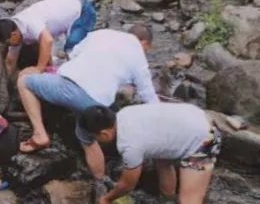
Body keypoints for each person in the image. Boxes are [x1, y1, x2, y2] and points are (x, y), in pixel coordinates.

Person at [78, 102, 221, 204]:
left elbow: (127, 185)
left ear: (105, 134)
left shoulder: (129, 145)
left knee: (190, 202)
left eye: (95, 137)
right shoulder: (125, 113)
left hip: (204, 139)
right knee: (162, 161)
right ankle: (168, 201)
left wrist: (107, 199)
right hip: (194, 117)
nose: (95, 141)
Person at [18, 26, 159, 162]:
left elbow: (73, 54)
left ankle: (40, 133)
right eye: (146, 49)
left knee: (24, 81)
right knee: (88, 141)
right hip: (96, 104)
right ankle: (100, 180)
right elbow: (148, 94)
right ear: (144, 42)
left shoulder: (101, 33)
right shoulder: (138, 55)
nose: (145, 52)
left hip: (69, 87)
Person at [0, 0, 96, 78]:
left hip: (82, 11)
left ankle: (85, 78)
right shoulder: (14, 29)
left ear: (14, 34)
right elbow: (11, 61)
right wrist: (6, 81)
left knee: (72, 49)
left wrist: (39, 69)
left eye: (8, 43)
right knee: (53, 58)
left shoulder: (30, 21)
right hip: (65, 14)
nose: (10, 46)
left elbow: (47, 41)